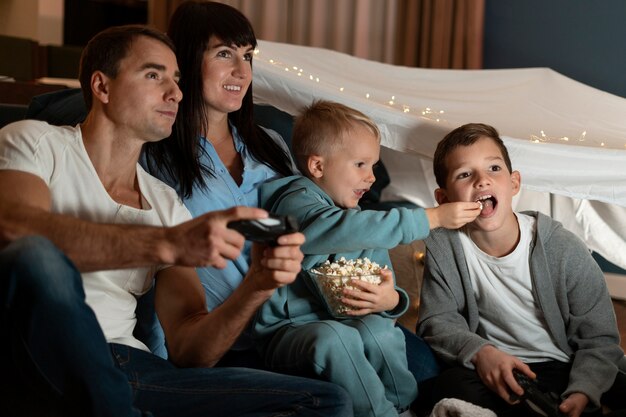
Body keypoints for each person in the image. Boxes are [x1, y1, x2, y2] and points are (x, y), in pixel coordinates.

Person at [0, 25, 353, 417]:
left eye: (177, 79)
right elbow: (16, 227)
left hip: (135, 369)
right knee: (36, 256)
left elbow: (189, 349)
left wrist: (256, 284)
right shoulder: (34, 142)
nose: (176, 93)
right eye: (154, 75)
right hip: (40, 357)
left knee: (325, 401)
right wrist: (165, 243)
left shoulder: (165, 202)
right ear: (102, 86)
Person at [252, 100, 481, 417]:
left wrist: (390, 300)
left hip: (345, 321)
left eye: (374, 166)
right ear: (318, 167)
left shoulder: (360, 221)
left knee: (378, 330)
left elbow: (382, 278)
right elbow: (331, 230)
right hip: (287, 333)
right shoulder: (296, 200)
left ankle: (408, 406)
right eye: (360, 164)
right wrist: (429, 218)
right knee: (337, 338)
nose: (371, 177)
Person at [416, 122, 626, 417]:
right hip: (499, 369)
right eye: (464, 174)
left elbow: (599, 339)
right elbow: (437, 321)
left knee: (613, 382)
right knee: (448, 385)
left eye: (493, 169)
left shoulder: (563, 249)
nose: (481, 181)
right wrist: (482, 353)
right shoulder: (443, 245)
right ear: (444, 199)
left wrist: (582, 392)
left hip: (565, 365)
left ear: (514, 183)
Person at [137, 0, 298, 365]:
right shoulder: (154, 155)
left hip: (297, 325)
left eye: (248, 56)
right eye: (225, 54)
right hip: (219, 340)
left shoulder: (270, 143)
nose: (242, 71)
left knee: (418, 364)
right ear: (188, 61)